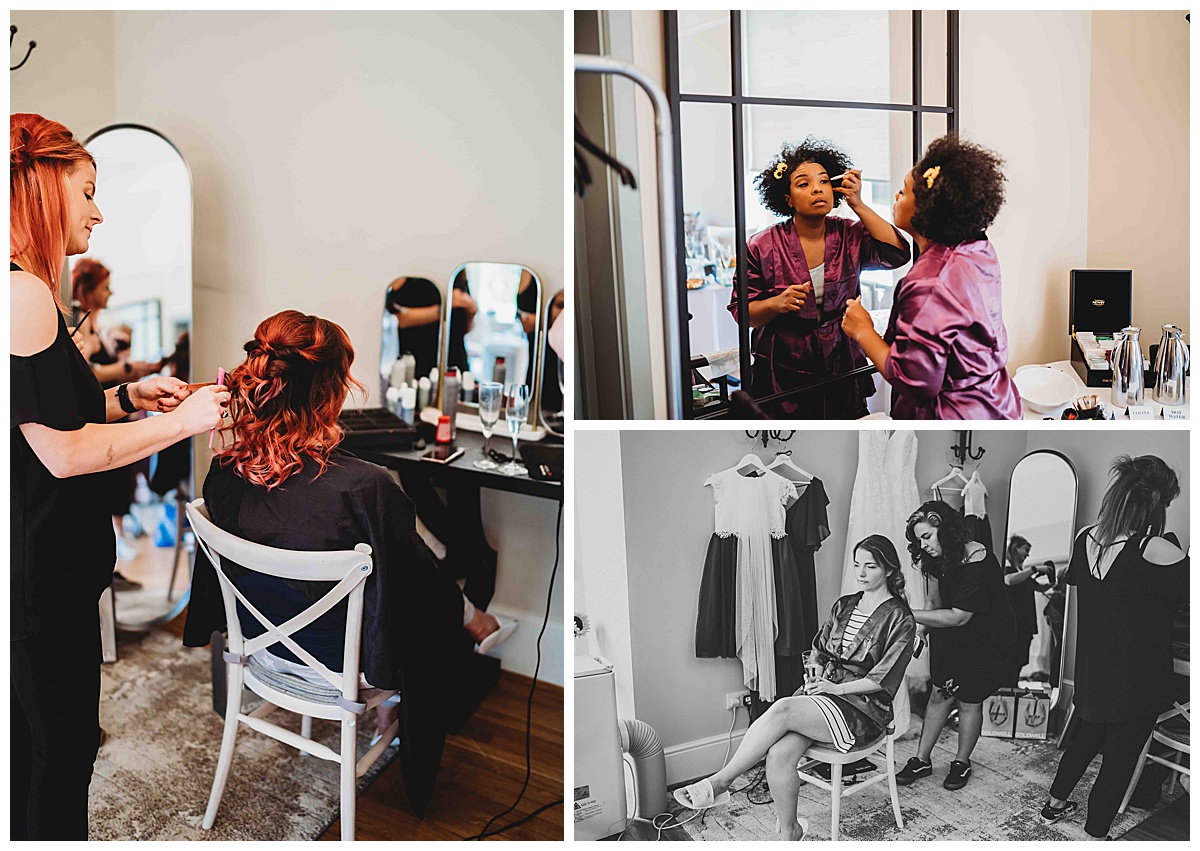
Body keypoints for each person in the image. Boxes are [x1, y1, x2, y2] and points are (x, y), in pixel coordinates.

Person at [183, 309, 510, 816]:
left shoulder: (225, 469)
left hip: (261, 649)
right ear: (330, 393)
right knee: (434, 606)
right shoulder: (366, 486)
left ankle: (451, 641)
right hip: (345, 667)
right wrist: (463, 611)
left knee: (415, 581)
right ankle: (448, 653)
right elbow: (417, 590)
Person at [11, 112, 228, 840]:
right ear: (42, 185)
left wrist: (127, 397)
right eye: (88, 191)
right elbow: (64, 454)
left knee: (34, 744)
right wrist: (184, 420)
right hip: (40, 570)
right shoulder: (25, 294)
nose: (99, 212)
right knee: (59, 750)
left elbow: (39, 419)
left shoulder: (25, 293)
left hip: (38, 562)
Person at [674, 535, 916, 841]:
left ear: (889, 570)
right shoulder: (845, 605)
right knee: (778, 754)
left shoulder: (900, 617)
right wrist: (815, 675)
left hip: (862, 709)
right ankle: (791, 834)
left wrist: (835, 689)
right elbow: (818, 649)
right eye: (857, 565)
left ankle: (721, 783)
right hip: (825, 696)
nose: (861, 573)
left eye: (871, 566)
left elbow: (884, 679)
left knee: (784, 707)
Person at [1041, 456, 1187, 839]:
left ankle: (1054, 804)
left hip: (1092, 669)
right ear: (1156, 504)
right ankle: (1096, 832)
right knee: (1120, 760)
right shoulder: (1155, 548)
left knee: (1086, 738)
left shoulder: (1085, 537)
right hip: (1137, 676)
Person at [841, 134, 1022, 419]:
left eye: (904, 191)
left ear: (927, 207)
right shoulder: (978, 248)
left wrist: (862, 329)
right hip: (996, 403)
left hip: (952, 418)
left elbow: (915, 382)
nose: (897, 197)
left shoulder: (929, 283)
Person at [733, 136, 911, 419]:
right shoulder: (761, 246)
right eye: (804, 183)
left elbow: (897, 254)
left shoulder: (850, 233)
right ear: (788, 199)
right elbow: (745, 314)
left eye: (824, 181)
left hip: (840, 359)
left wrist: (859, 205)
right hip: (783, 364)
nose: (817, 189)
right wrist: (777, 304)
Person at [896, 501, 1014, 791]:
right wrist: (922, 630)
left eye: (927, 536)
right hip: (946, 627)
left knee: (969, 700)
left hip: (984, 636)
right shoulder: (936, 557)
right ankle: (921, 760)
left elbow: (960, 617)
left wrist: (903, 613)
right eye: (918, 539)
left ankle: (961, 762)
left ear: (944, 529)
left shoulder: (980, 560)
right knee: (939, 694)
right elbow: (935, 602)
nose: (922, 545)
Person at [72, 258, 159, 582]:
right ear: (88, 290)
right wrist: (129, 373)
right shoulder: (79, 323)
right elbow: (87, 378)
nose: (111, 293)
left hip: (110, 413)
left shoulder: (95, 325)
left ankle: (113, 558)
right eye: (105, 287)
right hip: (96, 421)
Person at [1003, 534, 1051, 686]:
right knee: (1010, 663)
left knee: (1017, 662)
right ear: (1016, 549)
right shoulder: (1008, 568)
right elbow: (1009, 580)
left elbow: (1040, 588)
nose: (1028, 554)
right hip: (1013, 625)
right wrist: (1035, 569)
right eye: (1026, 550)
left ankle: (1011, 691)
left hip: (1025, 626)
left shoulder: (1022, 573)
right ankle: (1005, 693)